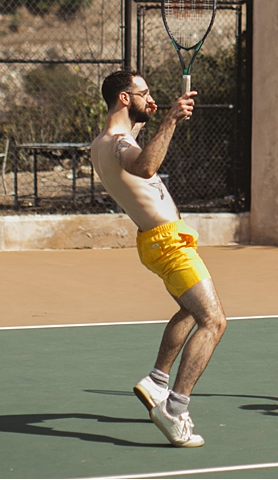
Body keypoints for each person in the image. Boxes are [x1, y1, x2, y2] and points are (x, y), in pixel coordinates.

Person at [92, 70, 226, 449]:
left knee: (190, 310)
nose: (149, 99)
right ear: (123, 98)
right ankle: (174, 409)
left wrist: (157, 120)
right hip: (169, 245)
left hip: (162, 241)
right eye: (143, 93)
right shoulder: (119, 144)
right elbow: (144, 167)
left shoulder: (106, 142)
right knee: (213, 321)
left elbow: (134, 155)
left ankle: (156, 380)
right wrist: (169, 119)